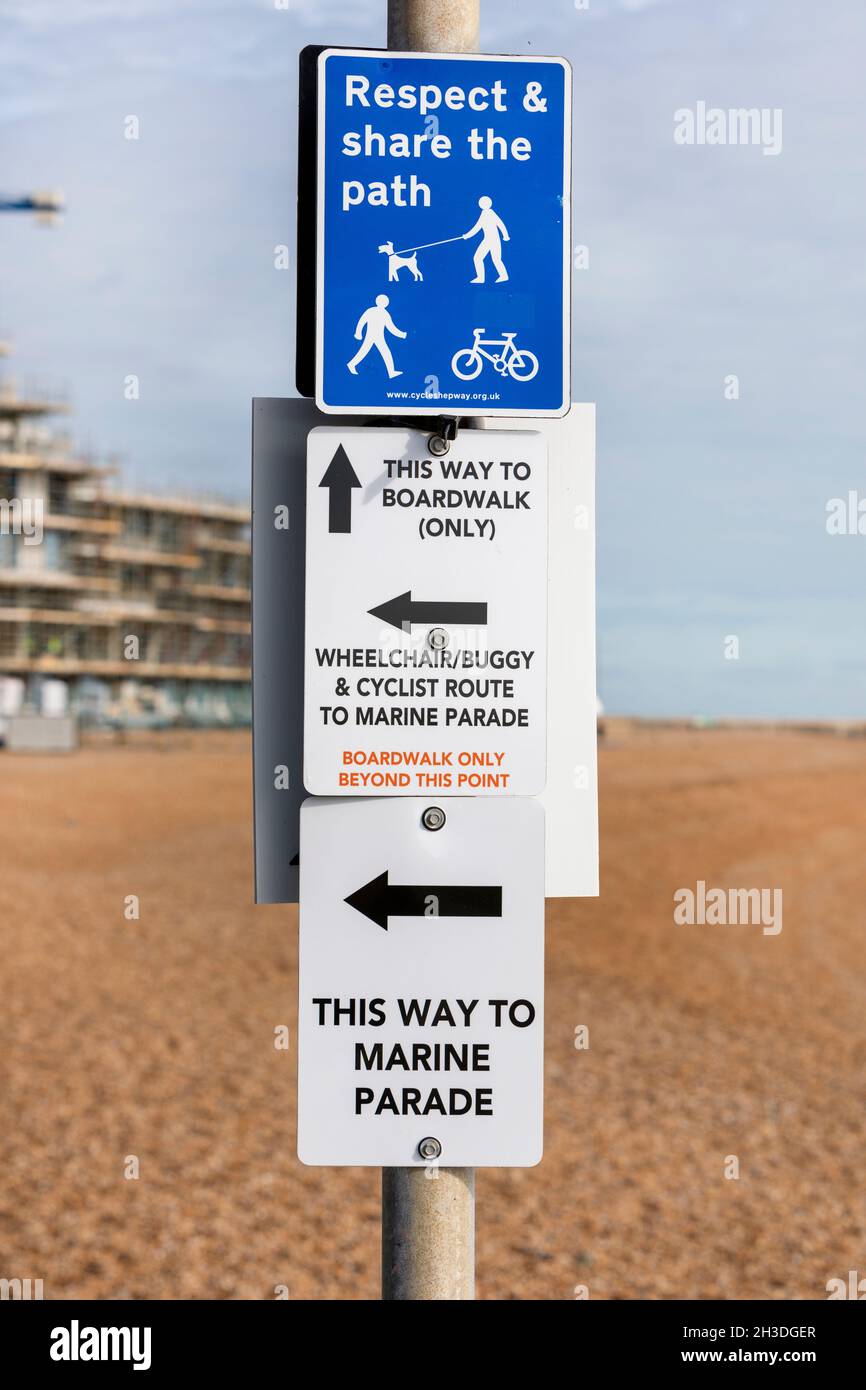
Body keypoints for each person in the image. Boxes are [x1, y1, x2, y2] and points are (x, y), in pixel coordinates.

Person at [347, 294, 407, 378]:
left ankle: (391, 372)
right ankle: (351, 364)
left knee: (383, 352)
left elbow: (391, 327)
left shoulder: (381, 313)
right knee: (365, 352)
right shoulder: (374, 311)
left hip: (378, 337)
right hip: (372, 336)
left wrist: (401, 334)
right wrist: (358, 333)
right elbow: (362, 321)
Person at [463, 196, 510, 284]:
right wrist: (467, 235)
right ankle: (482, 278)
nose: (481, 204)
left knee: (484, 258)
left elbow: (500, 224)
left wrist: (506, 235)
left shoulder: (490, 213)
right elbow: (478, 226)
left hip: (492, 240)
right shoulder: (484, 213)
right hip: (489, 240)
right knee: (480, 258)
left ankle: (502, 276)